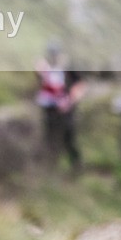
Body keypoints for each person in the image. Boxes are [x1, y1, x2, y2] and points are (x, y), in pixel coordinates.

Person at [35, 42, 86, 172]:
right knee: (49, 138)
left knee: (68, 137)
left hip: (66, 109)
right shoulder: (45, 67)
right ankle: (50, 169)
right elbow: (42, 82)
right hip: (49, 109)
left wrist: (69, 101)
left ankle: (76, 166)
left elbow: (79, 85)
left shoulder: (68, 67)